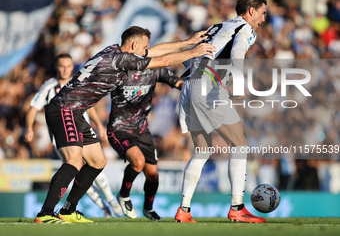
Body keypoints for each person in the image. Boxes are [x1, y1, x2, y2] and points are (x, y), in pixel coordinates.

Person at [33, 26, 215, 224]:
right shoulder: (121, 60)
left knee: (97, 162)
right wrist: (194, 52)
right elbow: (163, 60)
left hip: (76, 111)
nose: (147, 50)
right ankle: (45, 213)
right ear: (134, 44)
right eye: (144, 46)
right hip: (64, 108)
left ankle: (68, 210)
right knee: (74, 161)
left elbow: (156, 52)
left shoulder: (115, 51)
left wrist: (189, 41)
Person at [175, 0, 268, 223]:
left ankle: (183, 210)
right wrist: (237, 81)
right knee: (240, 145)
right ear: (251, 11)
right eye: (263, 13)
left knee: (202, 151)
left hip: (189, 85)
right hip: (209, 85)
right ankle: (237, 208)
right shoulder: (245, 28)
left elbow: (188, 58)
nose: (263, 19)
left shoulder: (218, 26)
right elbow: (237, 52)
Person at [25, 54, 123, 218]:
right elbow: (33, 108)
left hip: (82, 125)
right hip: (64, 131)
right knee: (75, 165)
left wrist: (98, 124)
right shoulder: (49, 86)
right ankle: (101, 206)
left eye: (68, 66)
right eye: (61, 66)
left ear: (72, 67)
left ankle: (109, 199)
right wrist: (29, 128)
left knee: (97, 162)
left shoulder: (75, 83)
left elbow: (89, 106)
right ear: (57, 67)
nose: (65, 70)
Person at [107, 63, 183, 220]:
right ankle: (123, 195)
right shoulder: (119, 70)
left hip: (142, 131)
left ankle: (148, 209)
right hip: (120, 128)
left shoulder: (154, 70)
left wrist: (194, 90)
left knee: (153, 175)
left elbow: (177, 83)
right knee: (138, 162)